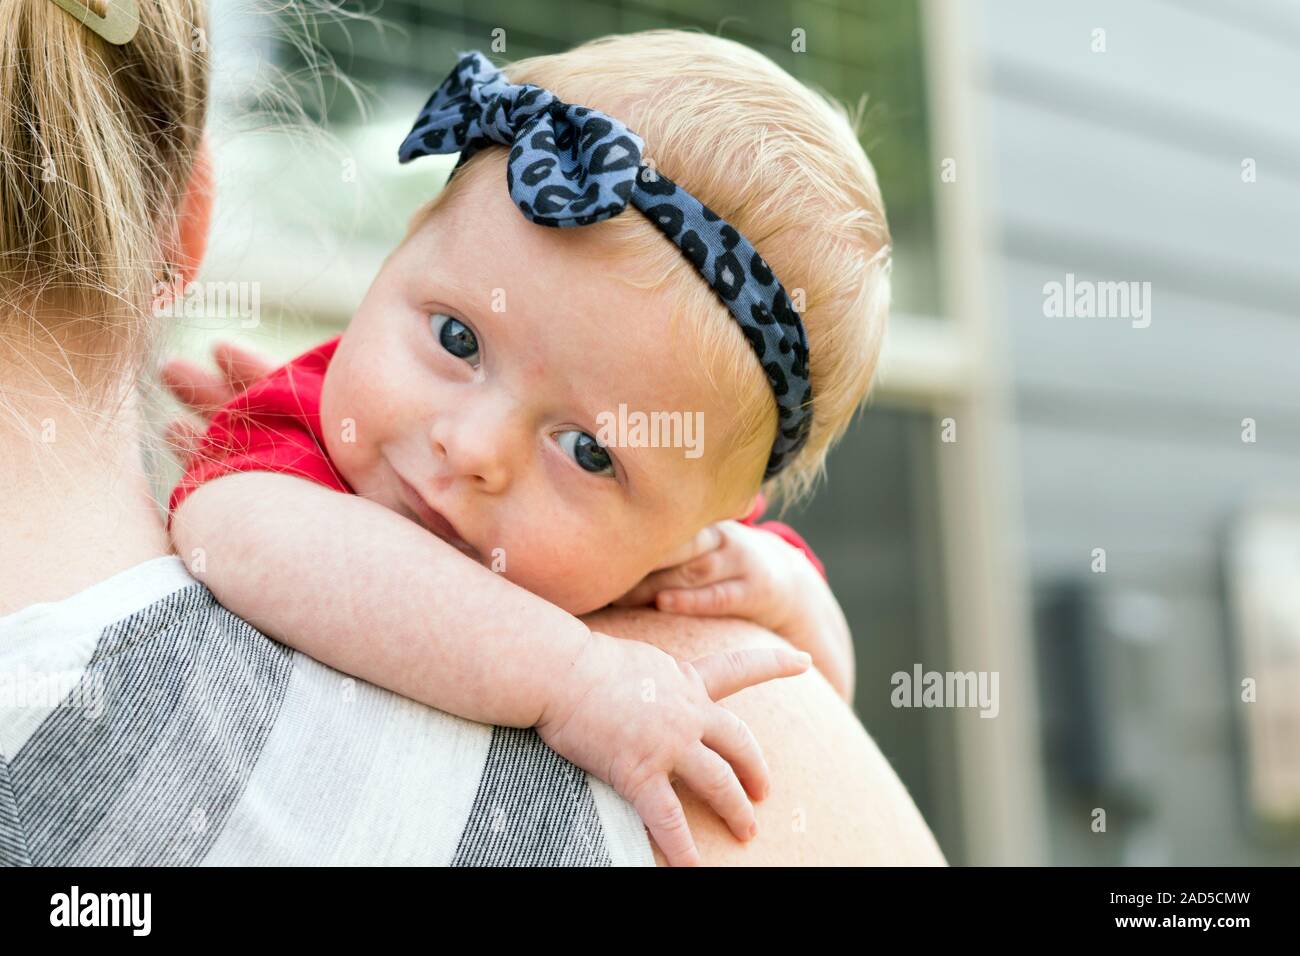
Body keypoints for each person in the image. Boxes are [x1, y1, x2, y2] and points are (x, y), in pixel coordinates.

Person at [0, 0, 944, 866]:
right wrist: (572, 678)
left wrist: (779, 590)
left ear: (699, 524)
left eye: (587, 451)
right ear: (398, 253)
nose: (472, 447)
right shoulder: (302, 446)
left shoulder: (686, 558)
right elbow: (238, 536)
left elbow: (810, 693)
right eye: (457, 338)